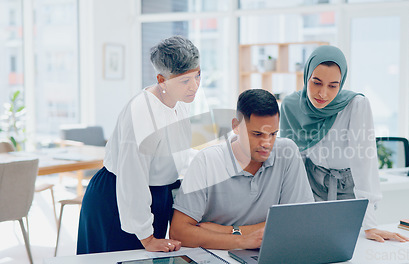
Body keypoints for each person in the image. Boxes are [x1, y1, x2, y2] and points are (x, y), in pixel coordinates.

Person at [77, 36, 201, 254]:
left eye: (197, 75)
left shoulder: (179, 103)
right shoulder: (142, 113)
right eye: (184, 81)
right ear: (161, 79)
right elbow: (132, 177)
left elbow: (176, 152)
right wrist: (147, 237)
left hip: (155, 195)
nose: (194, 86)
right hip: (117, 198)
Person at [280, 45, 409, 243]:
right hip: (310, 185)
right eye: (316, 83)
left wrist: (370, 225)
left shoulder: (355, 105)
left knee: (351, 249)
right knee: (308, 246)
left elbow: (364, 163)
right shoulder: (291, 105)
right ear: (306, 76)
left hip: (348, 189)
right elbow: (292, 161)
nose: (323, 93)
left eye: (333, 85)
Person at [169, 89, 314, 250]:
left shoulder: (287, 152)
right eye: (257, 134)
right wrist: (242, 241)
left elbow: (300, 222)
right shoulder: (206, 161)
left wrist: (230, 231)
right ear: (236, 126)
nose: (267, 143)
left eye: (273, 134)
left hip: (268, 253)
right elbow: (178, 232)